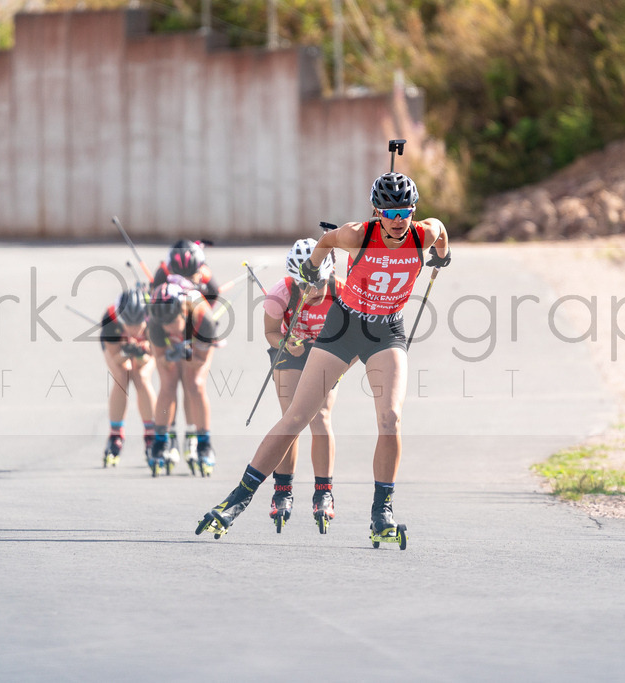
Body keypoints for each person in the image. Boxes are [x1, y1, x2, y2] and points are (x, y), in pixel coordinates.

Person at [196, 171, 451, 544]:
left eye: (405, 212)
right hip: (344, 327)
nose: (398, 221)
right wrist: (313, 266)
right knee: (298, 416)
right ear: (377, 212)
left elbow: (440, 231)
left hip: (386, 331)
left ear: (413, 211)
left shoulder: (422, 234)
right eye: (389, 213)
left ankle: (382, 512)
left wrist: (442, 255)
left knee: (391, 418)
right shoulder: (356, 235)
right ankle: (237, 499)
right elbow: (326, 240)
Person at [263, 238, 346, 532]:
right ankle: (282, 489)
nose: (311, 290)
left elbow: (355, 337)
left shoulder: (342, 292)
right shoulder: (280, 293)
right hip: (291, 349)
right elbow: (270, 333)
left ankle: (324, 491)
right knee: (292, 417)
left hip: (328, 351)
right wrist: (286, 343)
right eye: (303, 284)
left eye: (318, 283)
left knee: (320, 416)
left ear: (330, 273)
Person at [151, 239, 220, 470]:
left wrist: (189, 353)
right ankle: (161, 440)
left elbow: (199, 361)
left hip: (197, 335)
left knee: (195, 384)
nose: (171, 329)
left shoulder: (203, 316)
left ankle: (204, 443)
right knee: (168, 384)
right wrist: (169, 355)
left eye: (174, 324)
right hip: (167, 331)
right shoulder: (157, 323)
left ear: (184, 312)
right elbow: (161, 359)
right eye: (167, 326)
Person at [100, 288, 156, 467]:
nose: (133, 329)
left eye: (138, 324)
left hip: (146, 350)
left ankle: (151, 434)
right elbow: (116, 357)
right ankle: (115, 435)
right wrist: (126, 351)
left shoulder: (155, 319)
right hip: (118, 348)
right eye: (128, 324)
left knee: (141, 376)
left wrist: (140, 352)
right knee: (121, 376)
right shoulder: (110, 319)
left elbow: (150, 357)